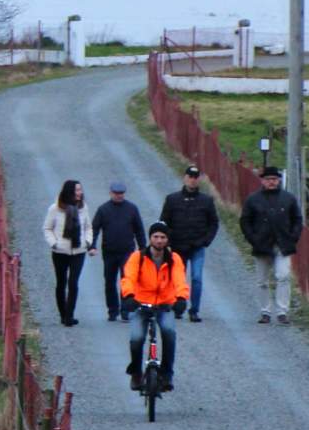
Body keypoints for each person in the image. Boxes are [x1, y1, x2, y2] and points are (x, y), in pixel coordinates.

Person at [121, 221, 189, 391]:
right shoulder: (138, 257)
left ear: (167, 240)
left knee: (169, 332)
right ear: (150, 238)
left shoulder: (174, 259)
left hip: (165, 304)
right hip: (141, 304)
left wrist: (181, 298)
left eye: (163, 237)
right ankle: (136, 372)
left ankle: (167, 374)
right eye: (156, 237)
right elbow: (128, 277)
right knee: (136, 338)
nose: (159, 240)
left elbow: (179, 279)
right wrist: (129, 296)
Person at [240, 166, 303, 324]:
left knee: (283, 277)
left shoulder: (288, 199)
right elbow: (245, 221)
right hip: (262, 245)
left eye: (274, 179)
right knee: (262, 280)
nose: (271, 182)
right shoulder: (253, 199)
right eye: (268, 179)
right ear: (262, 181)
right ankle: (265, 311)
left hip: (282, 245)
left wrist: (293, 237)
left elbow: (297, 219)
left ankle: (282, 311)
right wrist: (253, 238)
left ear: (279, 180)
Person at [159, 165, 220, 323]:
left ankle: (194, 310)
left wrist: (206, 241)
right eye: (190, 177)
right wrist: (167, 242)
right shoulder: (172, 199)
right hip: (178, 246)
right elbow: (164, 222)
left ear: (199, 179)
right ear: (185, 178)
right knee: (178, 278)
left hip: (197, 246)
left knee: (197, 278)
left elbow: (213, 223)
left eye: (195, 177)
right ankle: (178, 306)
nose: (193, 180)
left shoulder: (206, 201)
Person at [88, 181, 146, 322]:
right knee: (109, 281)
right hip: (109, 251)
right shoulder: (103, 210)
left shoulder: (132, 209)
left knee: (126, 281)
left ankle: (125, 310)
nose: (119, 196)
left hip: (127, 251)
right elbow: (95, 228)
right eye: (116, 193)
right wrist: (92, 245)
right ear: (111, 193)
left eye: (121, 193)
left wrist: (143, 248)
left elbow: (139, 229)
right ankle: (112, 310)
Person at [42, 179, 91, 326]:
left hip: (79, 250)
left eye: (80, 190)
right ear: (69, 192)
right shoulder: (55, 209)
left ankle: (69, 315)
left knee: (73, 282)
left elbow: (88, 227)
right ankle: (63, 314)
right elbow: (47, 228)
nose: (80, 193)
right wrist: (54, 243)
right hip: (60, 252)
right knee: (61, 283)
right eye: (77, 190)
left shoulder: (83, 208)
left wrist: (87, 241)